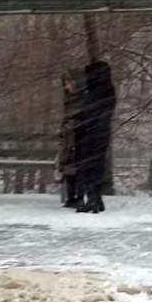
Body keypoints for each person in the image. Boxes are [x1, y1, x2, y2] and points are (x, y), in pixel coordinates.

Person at [75, 60, 116, 214]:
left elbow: (87, 113)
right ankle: (96, 199)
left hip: (90, 134)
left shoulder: (95, 93)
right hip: (101, 133)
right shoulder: (108, 90)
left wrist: (81, 123)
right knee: (96, 166)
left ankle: (93, 199)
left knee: (88, 166)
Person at [57, 68, 85, 209]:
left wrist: (72, 125)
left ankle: (79, 197)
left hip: (78, 135)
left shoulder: (81, 98)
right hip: (69, 136)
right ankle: (71, 196)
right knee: (68, 166)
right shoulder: (68, 99)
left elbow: (81, 116)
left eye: (68, 83)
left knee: (78, 167)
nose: (66, 86)